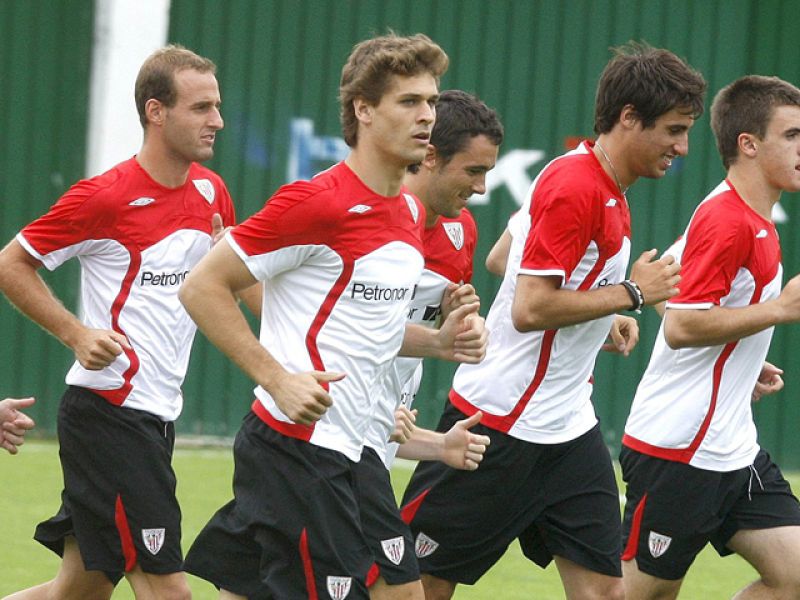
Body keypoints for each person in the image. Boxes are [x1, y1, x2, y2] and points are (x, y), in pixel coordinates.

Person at [179, 34, 486, 600]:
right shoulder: (316, 201)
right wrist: (277, 378)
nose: (426, 116)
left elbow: (362, 326)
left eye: (431, 102)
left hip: (355, 449)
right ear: (363, 110)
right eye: (408, 102)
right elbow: (204, 286)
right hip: (297, 448)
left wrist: (441, 342)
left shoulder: (408, 213)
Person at [399, 42, 707, 600]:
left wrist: (600, 316)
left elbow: (502, 261)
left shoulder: (595, 181)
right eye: (673, 129)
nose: (681, 147)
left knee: (606, 592)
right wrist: (629, 293)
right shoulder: (575, 184)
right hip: (500, 421)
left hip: (567, 428)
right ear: (629, 118)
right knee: (419, 588)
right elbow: (530, 306)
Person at [0, 44, 240, 600]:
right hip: (110, 416)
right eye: (201, 108)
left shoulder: (211, 191)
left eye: (217, 106)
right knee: (168, 588)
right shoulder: (105, 196)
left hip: (155, 417)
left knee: (79, 589)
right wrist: (76, 333)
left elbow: (234, 287)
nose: (217, 121)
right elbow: (13, 263)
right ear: (156, 112)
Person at [620, 75, 800, 599]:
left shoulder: (750, 217)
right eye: (791, 135)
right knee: (644, 594)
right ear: (748, 144)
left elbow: (665, 291)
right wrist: (779, 310)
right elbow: (680, 325)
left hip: (732, 446)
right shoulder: (726, 219)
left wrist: (741, 353)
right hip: (679, 449)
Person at [357, 90, 502, 596]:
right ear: (431, 157)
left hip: (377, 438)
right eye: (473, 172)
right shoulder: (366, 222)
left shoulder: (461, 231)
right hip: (328, 438)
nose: (482, 188)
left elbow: (446, 321)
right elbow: (342, 327)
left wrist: (468, 327)